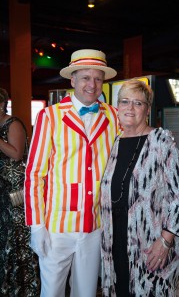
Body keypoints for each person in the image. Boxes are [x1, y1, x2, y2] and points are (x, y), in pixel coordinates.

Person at [24, 49, 120, 297]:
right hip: (56, 227)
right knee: (52, 292)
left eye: (98, 78)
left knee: (86, 293)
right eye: (85, 77)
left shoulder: (113, 116)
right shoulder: (50, 116)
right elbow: (34, 174)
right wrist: (36, 227)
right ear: (72, 80)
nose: (92, 84)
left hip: (94, 224)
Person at [100, 79, 179, 297]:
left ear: (148, 109)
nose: (130, 108)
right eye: (125, 101)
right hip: (116, 241)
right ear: (117, 107)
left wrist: (166, 241)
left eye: (138, 103)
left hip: (151, 247)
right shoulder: (114, 143)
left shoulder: (161, 142)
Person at [0, 88, 40, 296]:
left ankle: (23, 288)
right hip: (1, 189)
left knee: (17, 239)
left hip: (15, 192)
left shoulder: (12, 123)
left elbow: (16, 155)